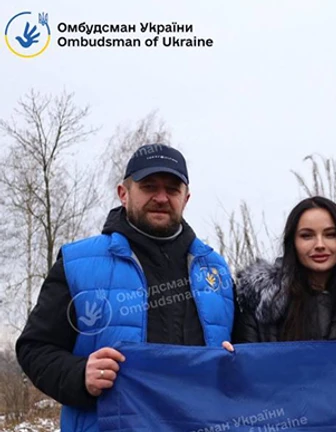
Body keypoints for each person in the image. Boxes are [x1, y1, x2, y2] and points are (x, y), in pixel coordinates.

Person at [15, 144, 235, 432]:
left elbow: (242, 352)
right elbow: (35, 348)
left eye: (172, 189)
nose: (161, 197)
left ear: (186, 198)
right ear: (123, 193)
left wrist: (234, 360)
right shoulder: (77, 263)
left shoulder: (216, 270)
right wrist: (79, 375)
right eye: (148, 186)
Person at [225, 196, 336, 346]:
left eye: (330, 235)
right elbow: (246, 362)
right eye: (307, 236)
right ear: (293, 243)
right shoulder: (261, 302)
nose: (320, 244)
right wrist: (229, 357)